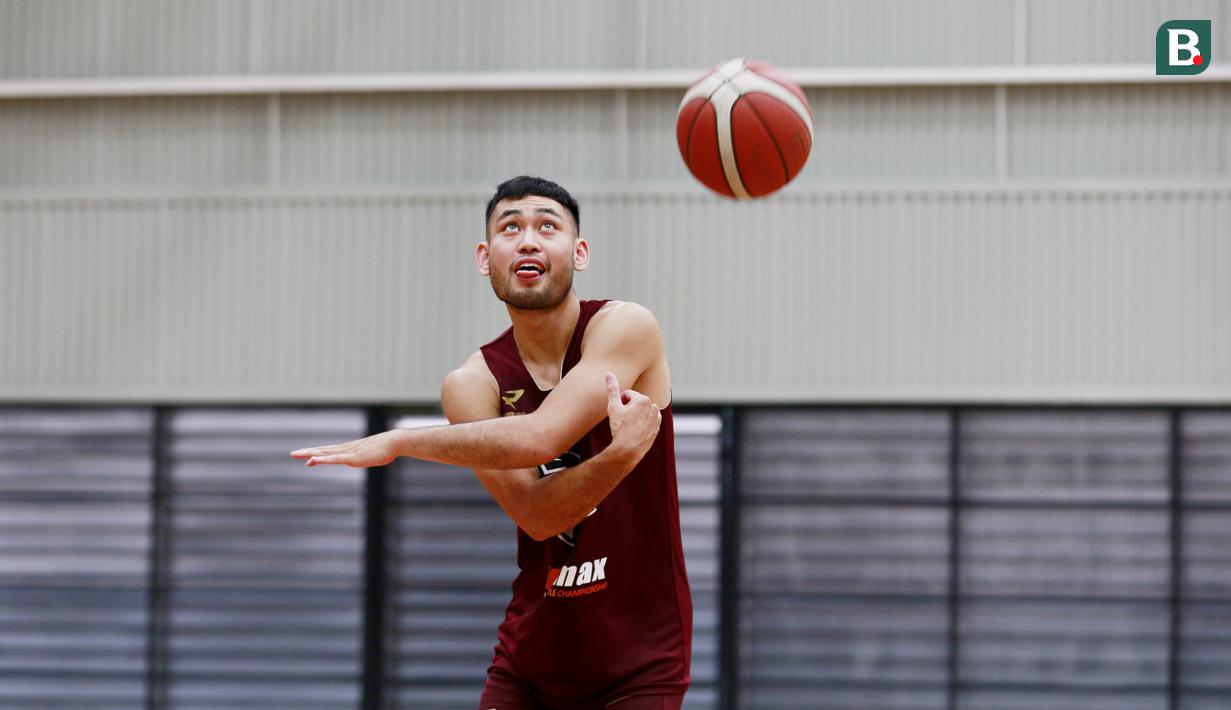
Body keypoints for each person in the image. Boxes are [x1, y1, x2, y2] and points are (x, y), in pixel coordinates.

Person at [291, 176, 692, 709]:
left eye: (548, 226)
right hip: (530, 663)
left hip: (640, 662)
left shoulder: (625, 327)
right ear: (486, 258)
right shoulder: (471, 385)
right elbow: (539, 514)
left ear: (579, 252)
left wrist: (401, 442)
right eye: (511, 228)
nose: (528, 240)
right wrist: (621, 456)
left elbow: (543, 434)